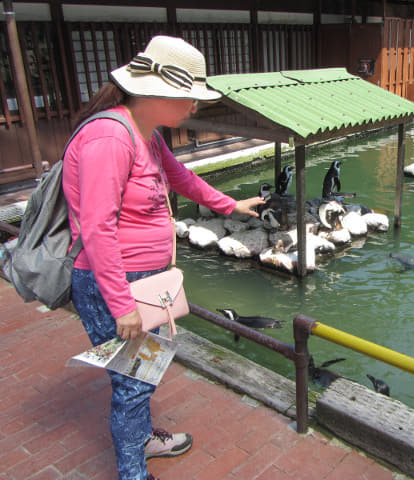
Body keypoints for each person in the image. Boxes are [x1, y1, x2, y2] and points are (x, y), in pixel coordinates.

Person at [62, 35, 264, 480]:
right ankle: (133, 471)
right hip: (114, 283)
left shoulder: (146, 135)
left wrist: (229, 205)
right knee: (132, 382)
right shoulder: (110, 138)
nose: (193, 108)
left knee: (144, 369)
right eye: (189, 98)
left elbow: (180, 177)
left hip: (144, 279)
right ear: (158, 93)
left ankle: (143, 439)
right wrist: (121, 305)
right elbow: (96, 228)